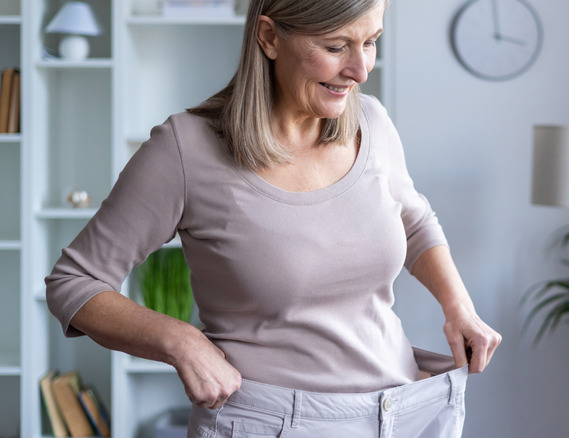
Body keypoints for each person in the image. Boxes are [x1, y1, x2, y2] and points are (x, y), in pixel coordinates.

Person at [46, 0, 501, 436]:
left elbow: (414, 220)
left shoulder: (372, 123)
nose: (361, 70)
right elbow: (75, 282)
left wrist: (458, 306)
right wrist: (180, 341)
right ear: (268, 36)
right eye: (336, 46)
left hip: (403, 412)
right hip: (267, 423)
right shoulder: (186, 149)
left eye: (371, 41)